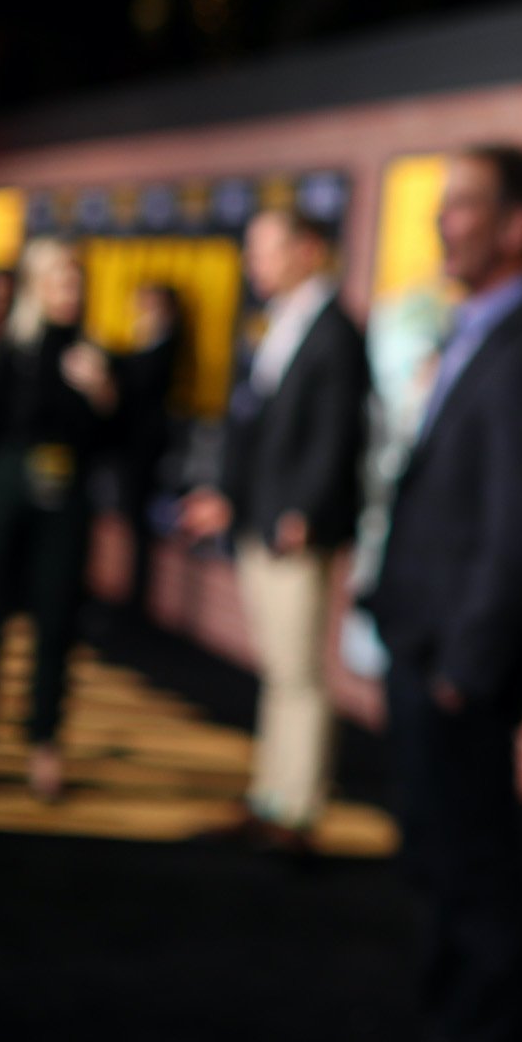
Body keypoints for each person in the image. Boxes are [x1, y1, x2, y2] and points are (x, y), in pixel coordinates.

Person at [339, 146, 522, 1042]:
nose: (446, 223)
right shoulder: (477, 332)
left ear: (519, 224)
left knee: (475, 885)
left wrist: (463, 669)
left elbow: (519, 531)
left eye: (467, 206)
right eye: (443, 207)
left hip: (460, 671)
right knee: (443, 875)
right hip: (427, 651)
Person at [179, 211, 368, 851]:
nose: (253, 265)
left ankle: (297, 810)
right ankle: (271, 796)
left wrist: (303, 512)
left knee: (298, 676)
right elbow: (259, 428)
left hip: (294, 531)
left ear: (308, 251)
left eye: (266, 251)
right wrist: (229, 497)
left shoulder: (335, 329)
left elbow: (335, 435)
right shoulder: (279, 321)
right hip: (261, 521)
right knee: (278, 671)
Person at [0, 240, 119, 801]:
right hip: (6, 494)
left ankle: (45, 743)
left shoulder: (90, 355)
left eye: (76, 284)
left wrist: (101, 392)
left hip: (66, 503)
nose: (71, 294)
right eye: (60, 282)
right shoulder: (8, 352)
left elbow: (116, 444)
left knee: (57, 623)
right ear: (38, 288)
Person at [116, 282, 185, 614]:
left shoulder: (166, 344)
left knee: (140, 527)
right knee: (131, 522)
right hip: (131, 446)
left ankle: (137, 603)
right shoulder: (147, 342)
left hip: (147, 448)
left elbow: (138, 381)